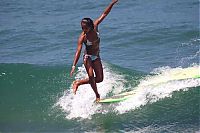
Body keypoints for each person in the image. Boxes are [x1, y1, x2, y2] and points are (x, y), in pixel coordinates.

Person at [70, 0, 118, 102]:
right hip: (87, 57)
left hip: (96, 56)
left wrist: (112, 3)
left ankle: (78, 82)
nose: (83, 29)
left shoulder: (95, 26)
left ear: (91, 26)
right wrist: (74, 65)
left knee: (100, 79)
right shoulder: (82, 37)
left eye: (85, 28)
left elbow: (104, 14)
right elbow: (78, 51)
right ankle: (97, 95)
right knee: (91, 76)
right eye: (82, 28)